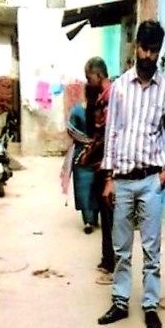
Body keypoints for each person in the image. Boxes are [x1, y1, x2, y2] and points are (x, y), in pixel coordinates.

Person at [98, 20, 165, 328]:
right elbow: (112, 133)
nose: (148, 56)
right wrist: (109, 178)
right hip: (121, 180)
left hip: (150, 181)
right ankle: (120, 301)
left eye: (154, 50)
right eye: (144, 49)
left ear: (159, 51)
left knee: (151, 248)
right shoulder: (120, 87)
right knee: (121, 248)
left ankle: (150, 305)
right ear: (136, 47)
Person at [80, 57, 113, 282]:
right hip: (101, 164)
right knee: (104, 212)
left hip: (108, 167)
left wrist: (91, 152)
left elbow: (108, 135)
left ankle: (112, 263)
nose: (87, 81)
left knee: (110, 216)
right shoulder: (101, 98)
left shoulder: (110, 98)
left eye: (89, 77)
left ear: (98, 75)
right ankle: (107, 258)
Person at [66, 86, 98, 231]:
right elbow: (71, 130)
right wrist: (88, 141)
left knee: (93, 186)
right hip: (83, 154)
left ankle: (92, 218)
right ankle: (89, 220)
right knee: (84, 187)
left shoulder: (100, 111)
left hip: (94, 153)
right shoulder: (78, 111)